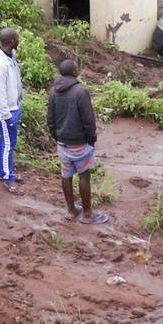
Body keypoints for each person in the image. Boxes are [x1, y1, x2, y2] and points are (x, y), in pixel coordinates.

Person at [48, 58, 108, 224]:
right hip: (80, 143)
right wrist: (91, 139)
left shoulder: (54, 91)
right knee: (84, 175)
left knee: (66, 175)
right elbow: (89, 120)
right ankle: (88, 214)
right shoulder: (80, 92)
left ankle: (71, 210)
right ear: (74, 72)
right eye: (77, 68)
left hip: (62, 143)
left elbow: (50, 118)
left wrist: (57, 136)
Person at [0, 26, 24, 192]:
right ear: (12, 41)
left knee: (7, 141)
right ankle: (9, 180)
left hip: (12, 108)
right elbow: (0, 93)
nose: (19, 41)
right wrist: (6, 115)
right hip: (4, 111)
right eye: (17, 38)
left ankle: (3, 172)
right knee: (8, 144)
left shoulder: (9, 56)